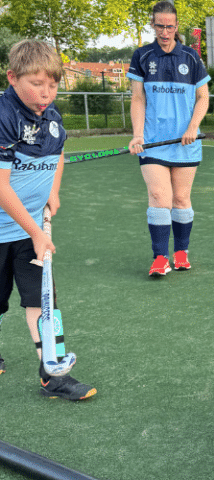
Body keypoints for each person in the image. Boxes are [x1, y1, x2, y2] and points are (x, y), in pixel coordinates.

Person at [0, 39, 96, 400]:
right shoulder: (4, 117)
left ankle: (53, 375)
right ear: (12, 77)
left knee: (42, 302)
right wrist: (36, 232)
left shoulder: (52, 117)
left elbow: (58, 155)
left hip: (29, 231)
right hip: (13, 228)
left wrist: (53, 191)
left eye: (53, 85)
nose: (46, 93)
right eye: (37, 84)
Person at [127, 0, 210, 277]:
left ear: (176, 26)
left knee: (181, 199)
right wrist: (138, 134)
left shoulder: (191, 57)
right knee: (159, 196)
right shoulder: (142, 56)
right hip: (152, 142)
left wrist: (193, 127)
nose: (165, 32)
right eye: (160, 26)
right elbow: (138, 98)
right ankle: (160, 257)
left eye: (170, 27)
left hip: (186, 143)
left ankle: (181, 252)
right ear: (153, 25)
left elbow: (203, 97)